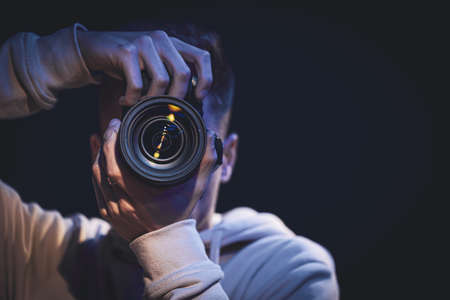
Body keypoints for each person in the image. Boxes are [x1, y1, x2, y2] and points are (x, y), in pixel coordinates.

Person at [0, 22, 339, 299]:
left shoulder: (293, 272)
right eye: (139, 135)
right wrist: (67, 56)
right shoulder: (40, 251)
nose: (158, 154)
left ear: (228, 158)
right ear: (97, 153)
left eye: (184, 138)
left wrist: (166, 241)